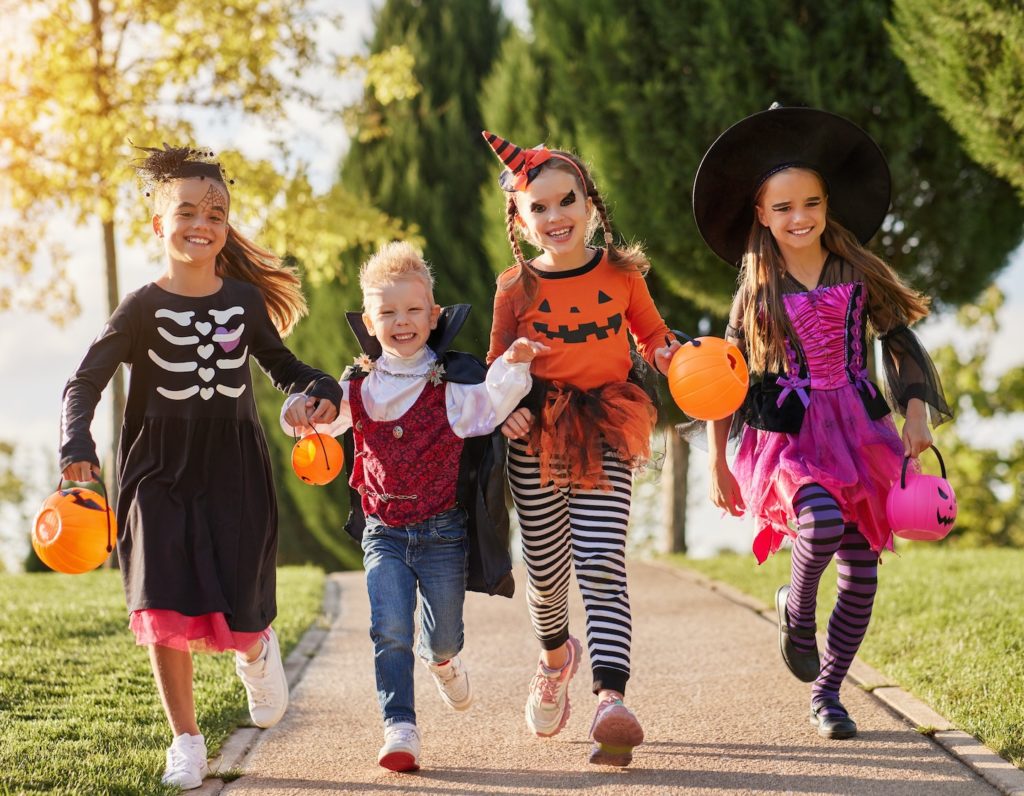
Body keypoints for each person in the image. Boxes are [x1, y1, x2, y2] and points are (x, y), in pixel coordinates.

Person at [59, 144, 342, 790]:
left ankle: (256, 647)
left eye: (216, 212)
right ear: (158, 225)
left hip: (233, 465)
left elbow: (286, 369)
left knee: (241, 606)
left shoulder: (243, 302)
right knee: (160, 598)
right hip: (157, 467)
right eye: (186, 210)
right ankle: (185, 739)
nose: (201, 222)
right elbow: (83, 384)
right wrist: (77, 448)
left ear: (226, 226)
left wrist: (317, 391)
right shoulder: (139, 309)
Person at [692, 105, 952, 739]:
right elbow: (721, 379)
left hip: (860, 428)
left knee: (863, 570)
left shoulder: (855, 270)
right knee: (822, 520)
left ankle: (829, 694)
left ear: (827, 204)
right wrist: (717, 461)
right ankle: (797, 611)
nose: (799, 217)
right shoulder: (754, 289)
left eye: (810, 203)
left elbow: (900, 341)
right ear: (760, 214)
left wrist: (915, 411)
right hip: (789, 430)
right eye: (782, 208)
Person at [281, 241, 544, 772]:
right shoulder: (356, 386)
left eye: (412, 310)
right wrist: (298, 411)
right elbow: (319, 422)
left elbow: (488, 407)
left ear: (434, 316)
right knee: (389, 627)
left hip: (443, 529)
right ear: (370, 322)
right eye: (388, 313)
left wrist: (514, 365)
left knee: (442, 630)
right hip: (384, 531)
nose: (402, 322)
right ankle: (399, 725)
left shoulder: (447, 382)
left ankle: (442, 659)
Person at [482, 131, 681, 767]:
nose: (555, 216)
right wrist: (506, 407)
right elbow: (494, 369)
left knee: (600, 561)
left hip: (607, 427)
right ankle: (553, 657)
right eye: (537, 207)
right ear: (520, 218)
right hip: (536, 434)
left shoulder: (621, 274)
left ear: (590, 204)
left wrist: (670, 354)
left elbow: (650, 333)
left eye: (566, 201)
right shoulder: (513, 288)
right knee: (544, 572)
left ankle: (610, 700)